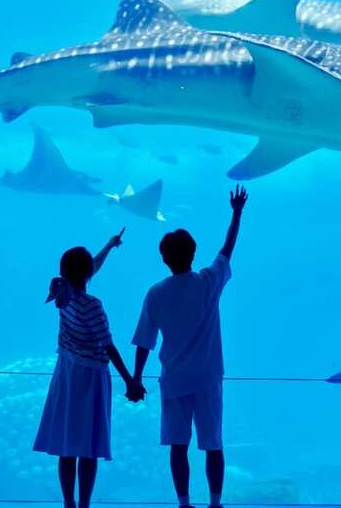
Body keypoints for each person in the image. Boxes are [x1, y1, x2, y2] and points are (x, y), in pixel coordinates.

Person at [130, 186, 248, 508]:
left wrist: (136, 378)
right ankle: (215, 503)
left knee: (178, 446)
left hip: (174, 379)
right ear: (193, 253)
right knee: (213, 444)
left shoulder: (156, 293)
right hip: (208, 378)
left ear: (164, 258)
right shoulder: (208, 282)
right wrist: (237, 213)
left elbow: (144, 341)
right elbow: (227, 249)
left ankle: (183, 504)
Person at [34, 228, 145, 508]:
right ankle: (84, 504)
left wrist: (109, 246)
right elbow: (108, 346)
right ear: (86, 274)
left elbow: (91, 266)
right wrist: (130, 380)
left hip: (66, 373)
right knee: (88, 444)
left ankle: (68, 502)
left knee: (67, 443)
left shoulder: (62, 292)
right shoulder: (92, 305)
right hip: (89, 378)